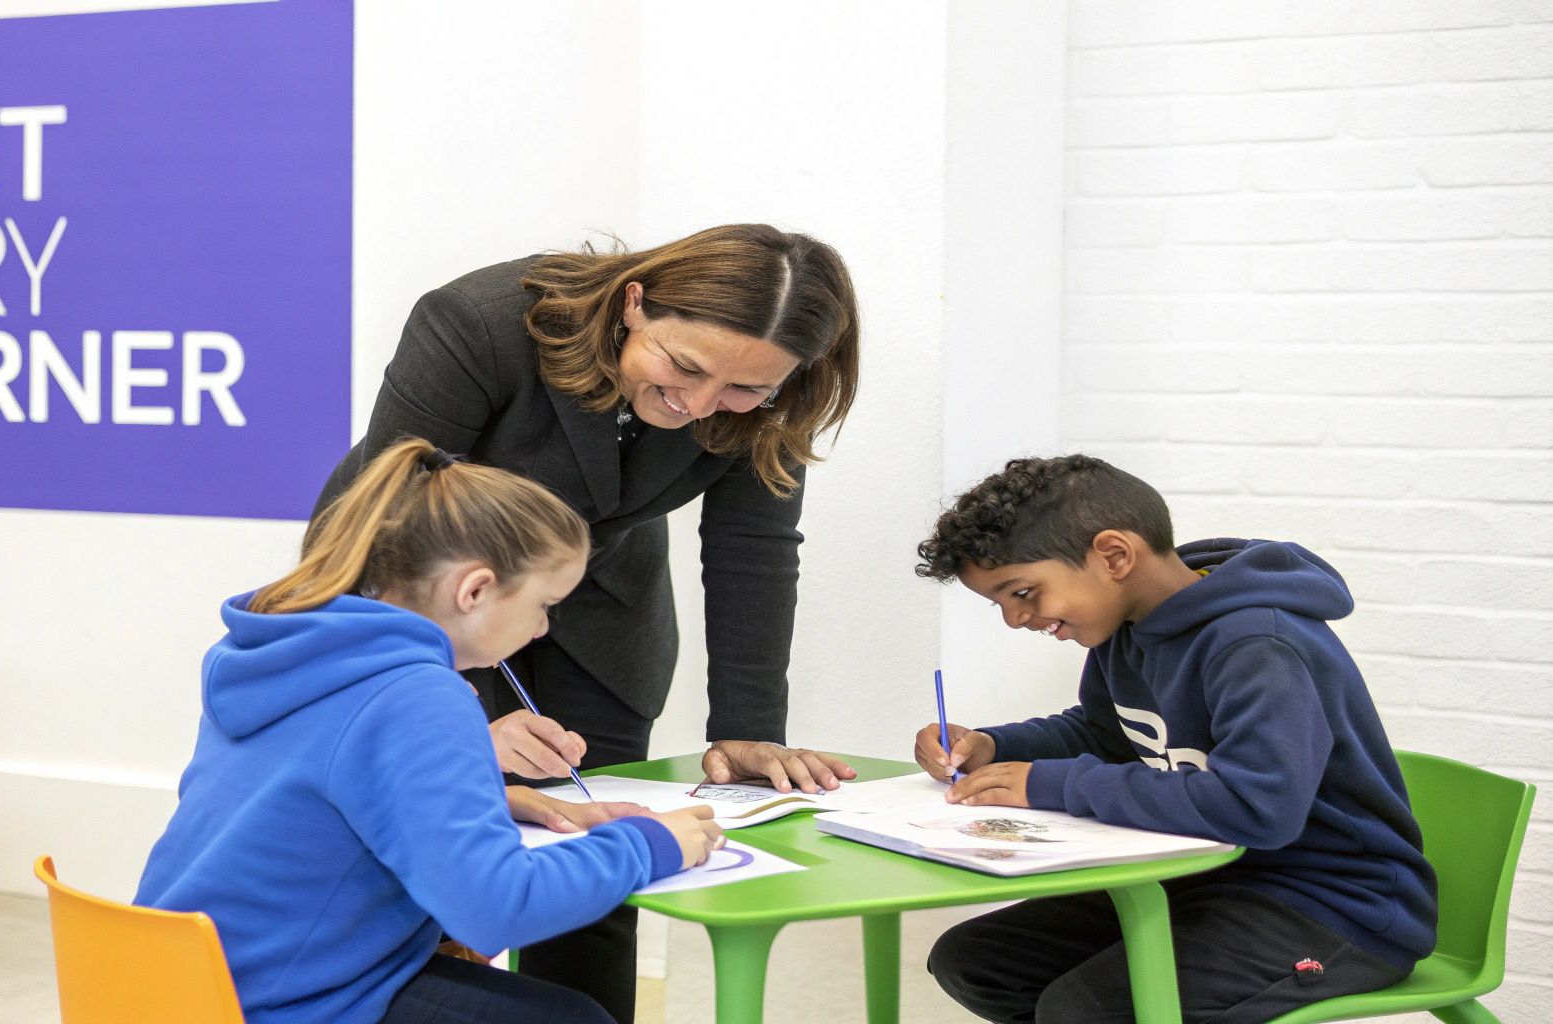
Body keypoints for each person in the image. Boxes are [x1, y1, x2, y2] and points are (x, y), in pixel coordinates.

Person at [311, 224, 861, 1020]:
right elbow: (398, 518)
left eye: (745, 393)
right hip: (414, 580)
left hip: (602, 600)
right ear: (636, 304)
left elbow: (754, 547)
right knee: (424, 843)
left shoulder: (777, 392)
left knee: (596, 848)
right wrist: (447, 720)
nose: (700, 408)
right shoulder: (479, 322)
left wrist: (747, 728)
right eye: (686, 368)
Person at [136, 439, 725, 1024]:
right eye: (546, 604)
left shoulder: (282, 655)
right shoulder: (418, 693)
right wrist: (653, 845)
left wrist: (501, 798)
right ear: (474, 591)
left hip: (167, 978)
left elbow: (315, 800)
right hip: (277, 1002)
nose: (544, 630)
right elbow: (496, 909)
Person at [909, 454, 1435, 1024]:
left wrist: (1049, 784)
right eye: (1002, 603)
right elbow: (1107, 735)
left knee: (1084, 1010)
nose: (1015, 620)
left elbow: (1257, 809)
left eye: (1023, 593)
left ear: (1113, 555)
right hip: (1201, 876)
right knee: (976, 960)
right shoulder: (1124, 630)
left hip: (1330, 905)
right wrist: (993, 745)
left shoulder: (1259, 644)